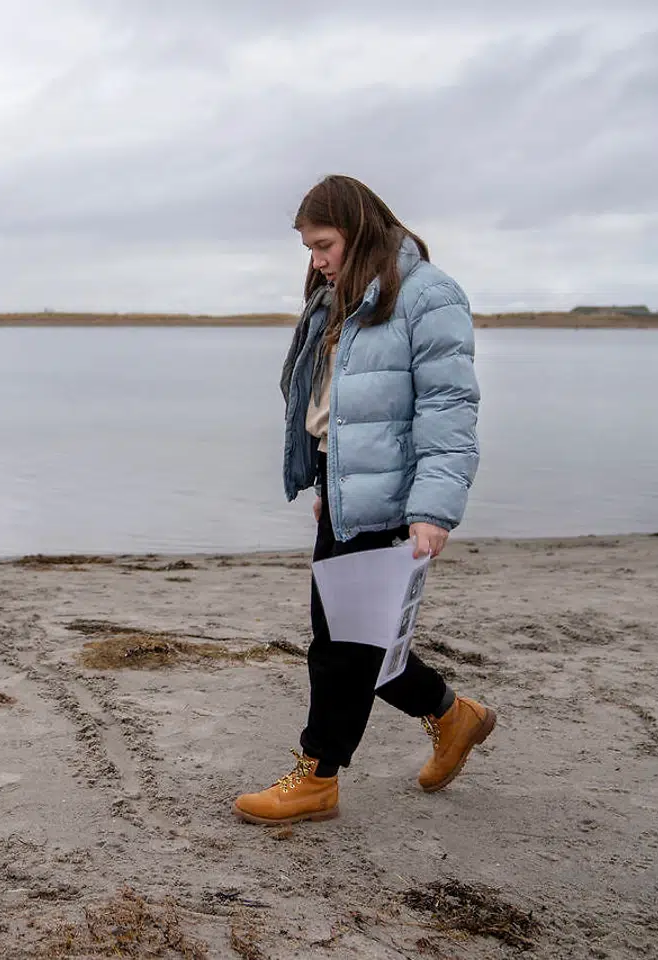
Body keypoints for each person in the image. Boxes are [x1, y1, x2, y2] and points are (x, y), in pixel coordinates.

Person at [234, 175, 495, 826]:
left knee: (340, 644)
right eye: (309, 248)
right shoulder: (338, 295)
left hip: (395, 499)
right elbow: (332, 404)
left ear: (359, 228)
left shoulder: (427, 296)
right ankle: (450, 715)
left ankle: (318, 775)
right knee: (360, 636)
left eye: (323, 244)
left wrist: (434, 511)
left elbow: (448, 410)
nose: (316, 259)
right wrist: (325, 480)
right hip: (347, 488)